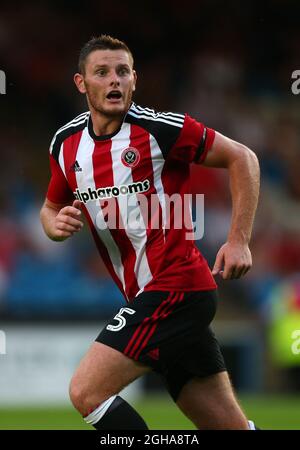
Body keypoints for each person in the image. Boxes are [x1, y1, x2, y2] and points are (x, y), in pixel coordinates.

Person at [40, 35, 260, 430]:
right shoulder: (66, 143)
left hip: (177, 286)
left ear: (134, 79)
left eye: (123, 72)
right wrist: (54, 226)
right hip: (147, 295)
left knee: (86, 392)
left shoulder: (159, 129)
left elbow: (242, 157)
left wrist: (238, 239)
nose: (115, 81)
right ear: (81, 83)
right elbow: (51, 207)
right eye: (102, 73)